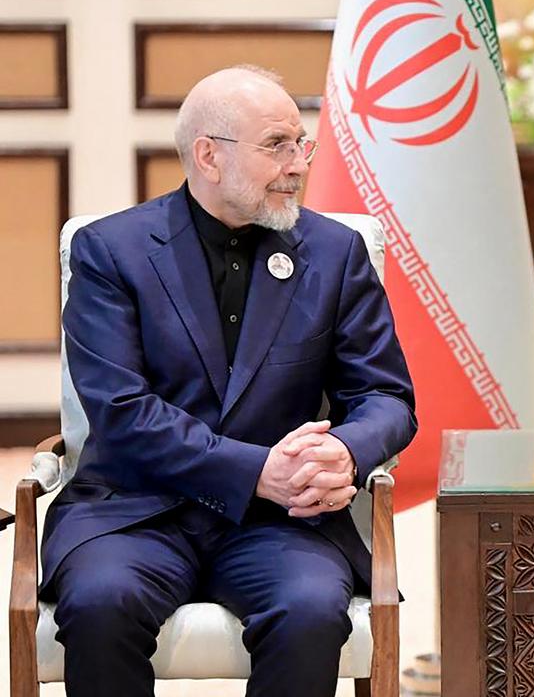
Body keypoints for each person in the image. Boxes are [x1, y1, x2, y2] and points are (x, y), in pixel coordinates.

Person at [43, 65, 417, 697]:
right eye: (277, 145)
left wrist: (345, 450)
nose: (298, 162)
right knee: (101, 604)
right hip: (137, 509)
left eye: (302, 143)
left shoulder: (333, 251)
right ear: (208, 156)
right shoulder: (112, 251)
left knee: (308, 610)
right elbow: (122, 411)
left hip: (283, 521)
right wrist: (256, 470)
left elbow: (386, 395)